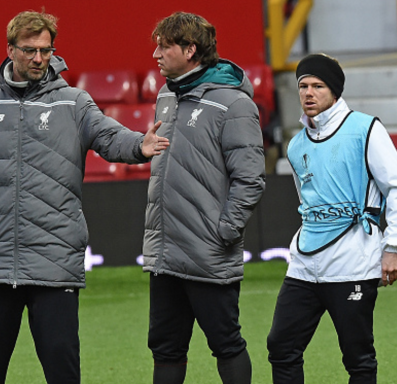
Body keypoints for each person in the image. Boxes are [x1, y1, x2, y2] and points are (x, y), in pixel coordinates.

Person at [0, 10, 169, 384]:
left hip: (54, 257)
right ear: (10, 50)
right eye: (30, 50)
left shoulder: (74, 102)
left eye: (46, 50)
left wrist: (139, 144)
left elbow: (109, 137)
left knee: (62, 368)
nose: (38, 58)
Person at [266, 53, 397, 383]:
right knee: (281, 346)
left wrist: (394, 246)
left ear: (335, 91)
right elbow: (306, 202)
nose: (308, 93)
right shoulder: (296, 145)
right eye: (303, 85)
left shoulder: (366, 129)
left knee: (357, 356)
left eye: (318, 86)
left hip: (354, 263)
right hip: (304, 264)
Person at [142, 12, 266, 384]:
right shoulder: (166, 95)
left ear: (190, 49)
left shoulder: (234, 104)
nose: (156, 54)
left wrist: (223, 232)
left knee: (226, 343)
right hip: (165, 252)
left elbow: (251, 179)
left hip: (208, 251)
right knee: (165, 347)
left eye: (165, 46)